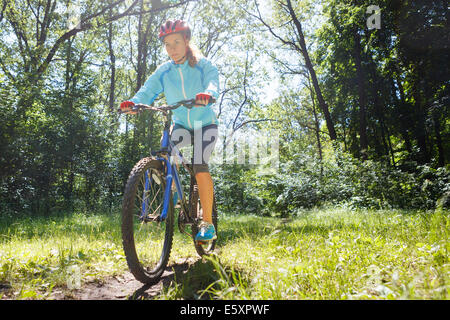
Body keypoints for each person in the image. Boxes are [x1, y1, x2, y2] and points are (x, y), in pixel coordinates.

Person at [120, 20, 219, 242]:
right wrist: (134, 103)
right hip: (182, 124)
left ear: (186, 40)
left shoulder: (203, 65)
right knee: (165, 155)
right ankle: (171, 189)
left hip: (205, 124)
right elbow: (147, 91)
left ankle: (208, 223)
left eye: (176, 42)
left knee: (200, 165)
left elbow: (213, 83)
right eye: (167, 44)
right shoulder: (164, 71)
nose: (172, 48)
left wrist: (208, 95)